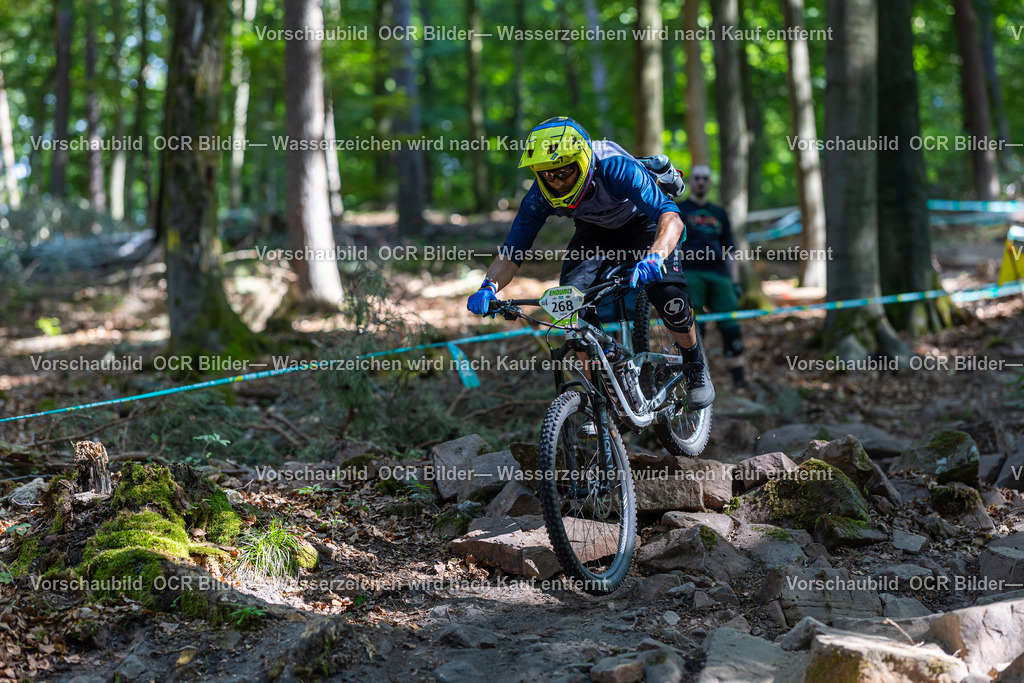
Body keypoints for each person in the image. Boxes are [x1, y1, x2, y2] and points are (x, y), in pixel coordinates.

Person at [465, 116, 714, 411]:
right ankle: (599, 399)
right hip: (594, 233)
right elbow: (511, 252)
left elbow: (669, 216)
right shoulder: (539, 195)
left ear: (582, 161)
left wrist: (655, 256)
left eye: (564, 172)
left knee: (667, 293)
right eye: (547, 174)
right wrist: (488, 287)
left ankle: (694, 364)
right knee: (569, 305)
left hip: (644, 223)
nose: (556, 181)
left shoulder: (615, 167)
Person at [676, 165, 747, 389]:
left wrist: (734, 282)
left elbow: (730, 251)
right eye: (696, 178)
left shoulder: (719, 213)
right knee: (695, 327)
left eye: (705, 178)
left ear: (710, 182)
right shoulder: (679, 210)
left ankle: (739, 380)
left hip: (719, 275)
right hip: (691, 273)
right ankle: (697, 378)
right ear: (691, 181)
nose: (700, 182)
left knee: (731, 326)